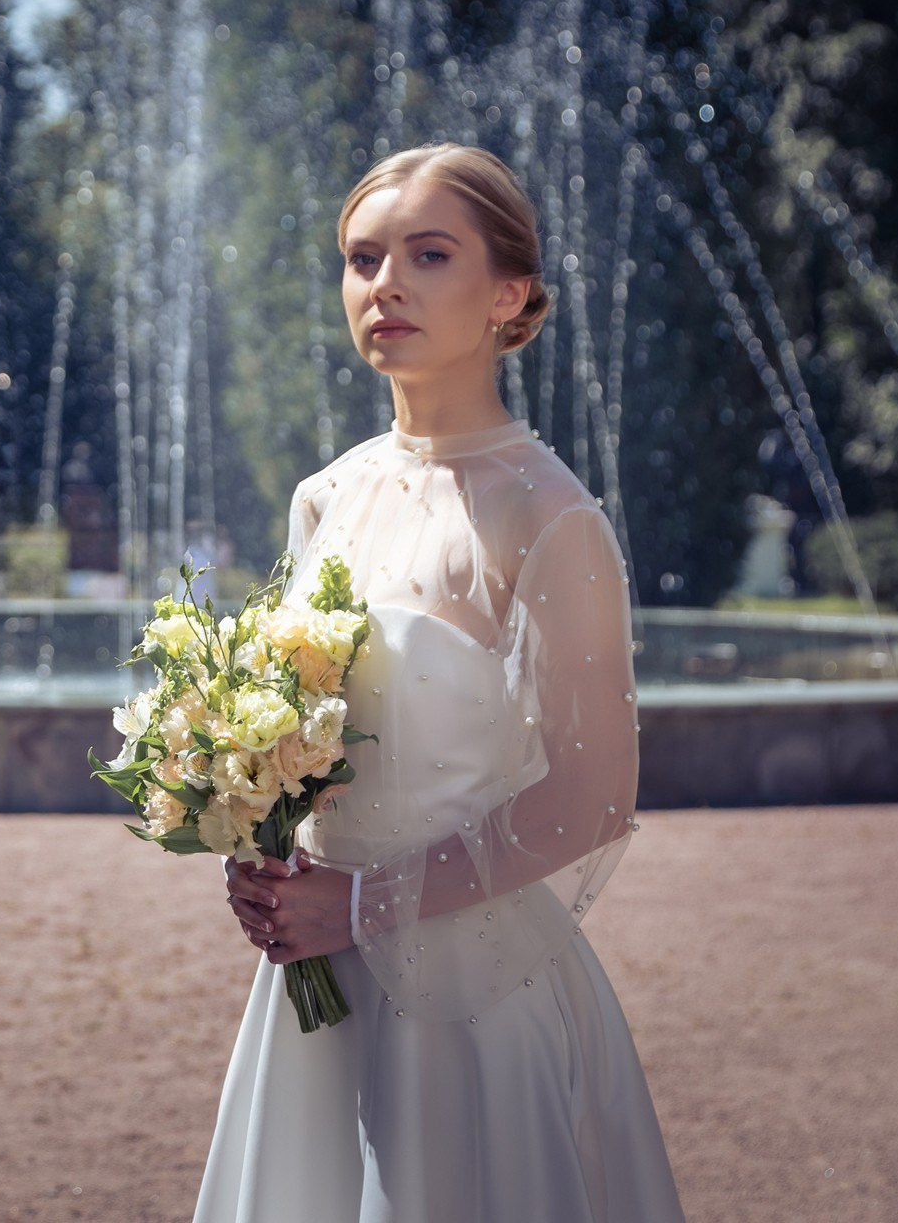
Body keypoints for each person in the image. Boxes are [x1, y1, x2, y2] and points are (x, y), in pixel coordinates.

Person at [193, 143, 686, 1222]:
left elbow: (596, 794)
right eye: (363, 259)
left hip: (471, 999)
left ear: (508, 294)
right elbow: (293, 728)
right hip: (317, 992)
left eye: (428, 254)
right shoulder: (326, 498)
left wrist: (363, 906)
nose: (387, 285)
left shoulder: (550, 519)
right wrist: (260, 846)